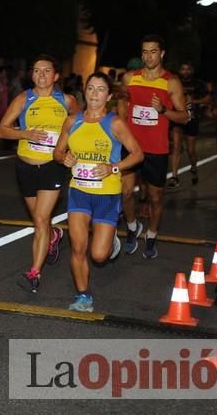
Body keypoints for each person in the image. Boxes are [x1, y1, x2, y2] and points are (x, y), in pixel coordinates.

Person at [54, 72, 143, 312]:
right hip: (78, 192)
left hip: (107, 195)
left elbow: (137, 153)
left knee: (99, 255)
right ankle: (83, 296)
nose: (94, 93)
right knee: (78, 247)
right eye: (91, 88)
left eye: (100, 89)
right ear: (85, 91)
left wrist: (113, 167)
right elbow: (57, 152)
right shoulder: (73, 121)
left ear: (109, 95)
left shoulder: (114, 123)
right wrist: (66, 158)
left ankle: (110, 238)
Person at [0, 55, 79, 293]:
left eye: (46, 71)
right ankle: (54, 235)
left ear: (56, 76)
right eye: (36, 71)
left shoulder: (67, 101)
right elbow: (2, 130)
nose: (41, 75)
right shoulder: (24, 99)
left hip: (52, 167)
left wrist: (71, 152)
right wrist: (26, 135)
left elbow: (82, 127)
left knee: (41, 220)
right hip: (25, 167)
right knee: (39, 220)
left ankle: (34, 273)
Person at [117, 34, 188, 259]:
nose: (149, 56)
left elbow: (184, 117)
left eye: (153, 51)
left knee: (156, 197)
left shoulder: (171, 82)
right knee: (126, 192)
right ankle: (131, 227)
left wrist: (164, 111)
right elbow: (121, 102)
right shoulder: (130, 78)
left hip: (156, 149)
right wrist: (120, 129)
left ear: (162, 53)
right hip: (132, 147)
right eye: (145, 52)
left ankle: (152, 235)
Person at [167, 63, 210, 188]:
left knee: (190, 150)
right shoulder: (174, 82)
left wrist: (194, 101)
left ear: (192, 70)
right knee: (176, 146)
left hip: (192, 117)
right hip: (177, 117)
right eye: (183, 68)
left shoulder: (198, 84)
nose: (185, 71)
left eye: (188, 69)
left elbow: (208, 99)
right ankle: (175, 176)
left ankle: (194, 167)